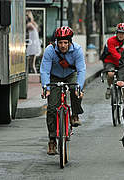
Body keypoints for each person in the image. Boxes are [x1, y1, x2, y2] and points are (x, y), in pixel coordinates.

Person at [40, 26, 86, 155]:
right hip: (54, 76)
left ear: (70, 41)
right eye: (60, 42)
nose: (63, 45)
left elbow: (81, 70)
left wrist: (79, 88)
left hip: (71, 74)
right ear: (56, 42)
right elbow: (44, 70)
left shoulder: (77, 50)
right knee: (52, 108)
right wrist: (46, 88)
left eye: (65, 42)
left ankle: (75, 114)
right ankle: (52, 140)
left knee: (75, 88)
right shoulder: (50, 50)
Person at [103, 23, 124, 99]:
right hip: (111, 61)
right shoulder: (110, 41)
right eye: (119, 33)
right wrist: (123, 59)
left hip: (123, 62)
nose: (121, 35)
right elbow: (113, 53)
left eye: (123, 33)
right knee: (110, 74)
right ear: (116, 33)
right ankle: (110, 87)